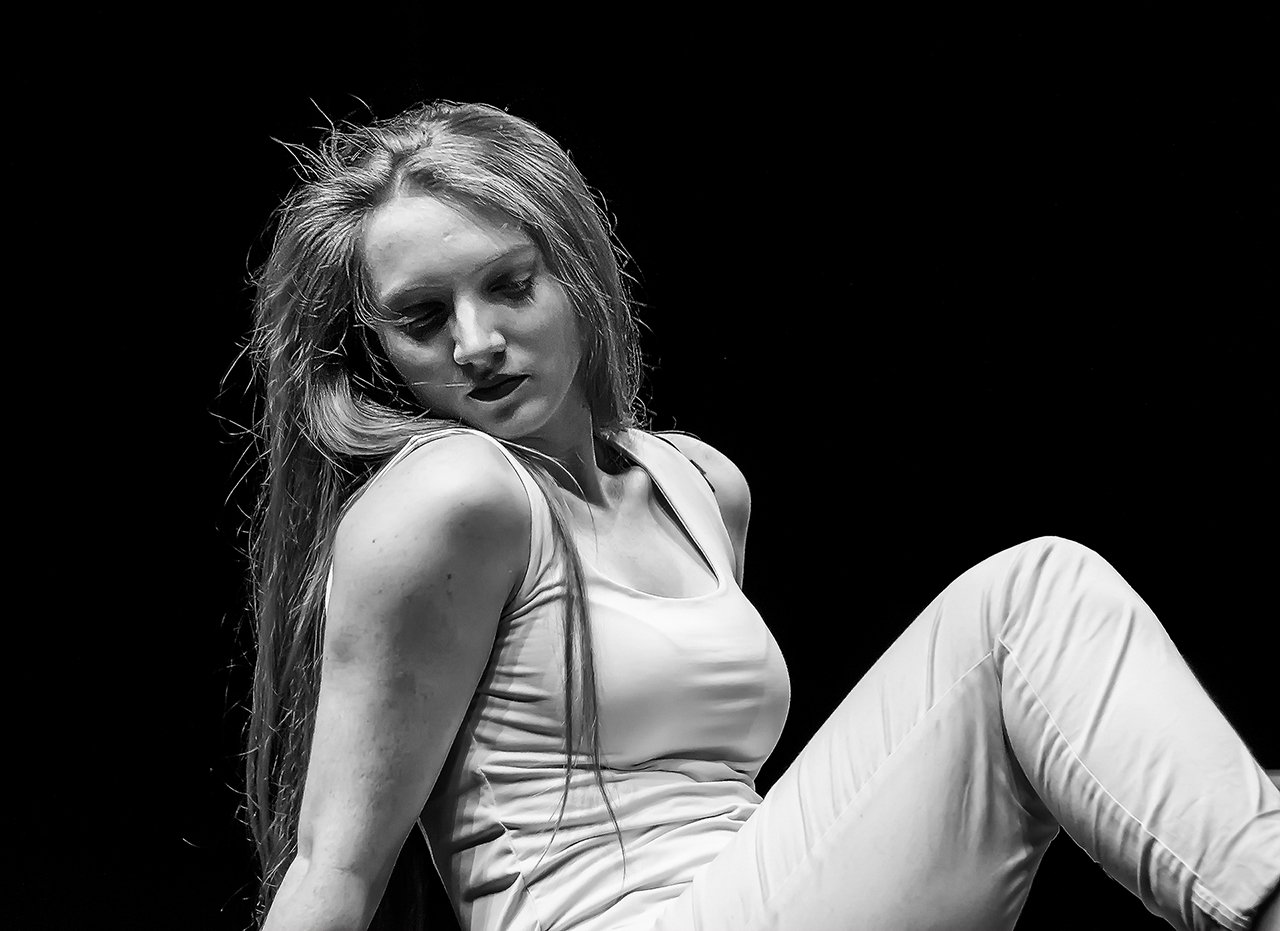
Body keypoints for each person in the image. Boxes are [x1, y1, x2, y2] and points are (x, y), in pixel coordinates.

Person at [240, 100, 1280, 931]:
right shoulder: (451, 495)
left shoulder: (698, 484)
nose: (475, 342)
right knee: (1030, 596)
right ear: (379, 348)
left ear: (576, 272)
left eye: (510, 285)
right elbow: (336, 866)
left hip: (739, 887)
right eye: (423, 317)